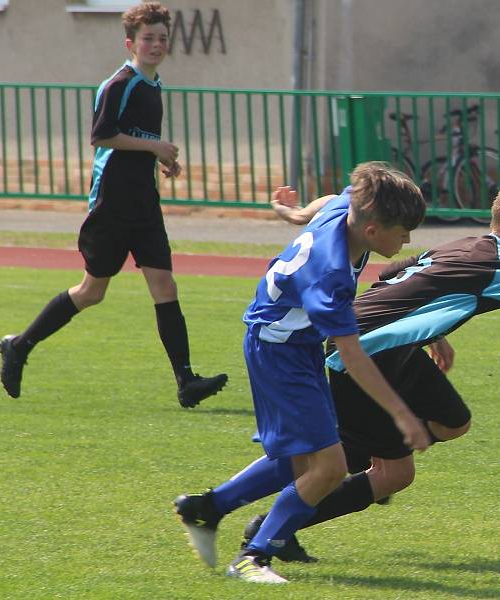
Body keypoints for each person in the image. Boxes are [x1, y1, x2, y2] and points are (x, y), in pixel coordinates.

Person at [241, 171, 500, 560]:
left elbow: (396, 277)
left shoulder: (465, 245)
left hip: (395, 349)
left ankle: (351, 463)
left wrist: (430, 331)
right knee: (389, 473)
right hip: (363, 354)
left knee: (452, 421)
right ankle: (272, 528)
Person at [173, 162, 431, 584]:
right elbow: (351, 355)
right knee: (329, 468)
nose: (406, 240)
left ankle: (207, 508)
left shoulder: (351, 209)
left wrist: (294, 215)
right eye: (402, 232)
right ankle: (252, 557)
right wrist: (402, 415)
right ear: (371, 231)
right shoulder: (329, 276)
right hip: (278, 352)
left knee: (304, 458)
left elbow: (331, 200)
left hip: (295, 346)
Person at [0, 2, 227, 408]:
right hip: (113, 204)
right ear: (130, 43)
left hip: (144, 203)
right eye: (148, 39)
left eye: (161, 38)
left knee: (165, 285)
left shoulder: (154, 85)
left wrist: (161, 157)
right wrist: (153, 145)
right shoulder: (119, 84)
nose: (156, 45)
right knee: (91, 292)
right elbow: (102, 136)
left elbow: (133, 139)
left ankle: (186, 381)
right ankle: (19, 345)